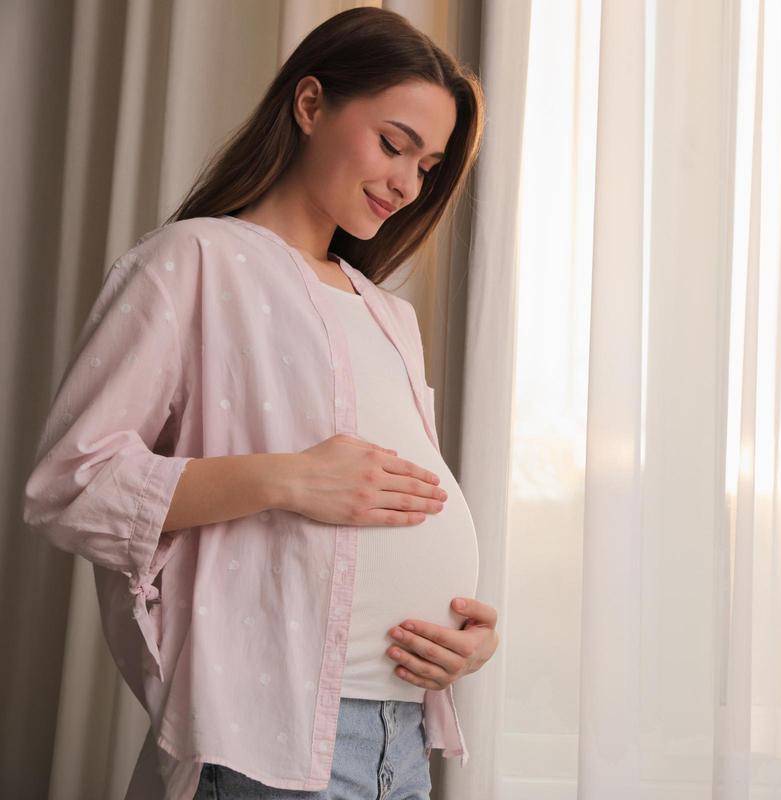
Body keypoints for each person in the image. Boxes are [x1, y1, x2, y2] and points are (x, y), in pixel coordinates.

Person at [21, 8, 498, 799]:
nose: (408, 185)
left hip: (404, 741)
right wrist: (288, 479)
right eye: (393, 145)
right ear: (310, 105)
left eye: (428, 166)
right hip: (271, 744)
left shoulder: (388, 314)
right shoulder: (192, 262)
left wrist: (465, 642)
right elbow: (70, 484)